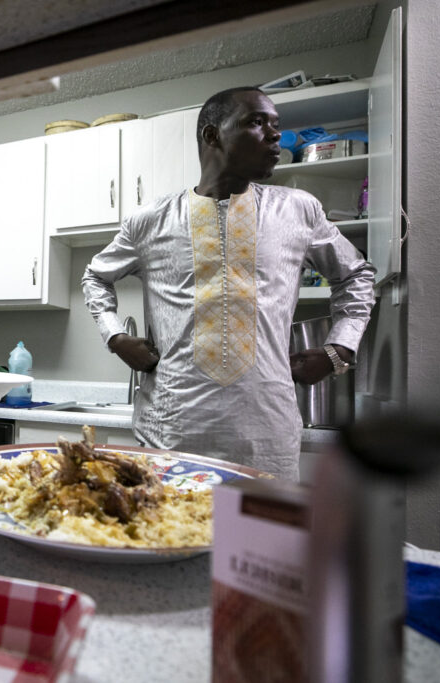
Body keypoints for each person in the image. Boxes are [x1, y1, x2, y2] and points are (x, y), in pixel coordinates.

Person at [82, 86, 376, 480]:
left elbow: (356, 274)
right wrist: (116, 337)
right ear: (212, 135)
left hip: (266, 437)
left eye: (276, 125)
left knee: (258, 542)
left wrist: (338, 349)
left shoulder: (298, 210)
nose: (275, 135)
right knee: (168, 538)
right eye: (257, 123)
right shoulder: (151, 220)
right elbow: (96, 277)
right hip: (171, 432)